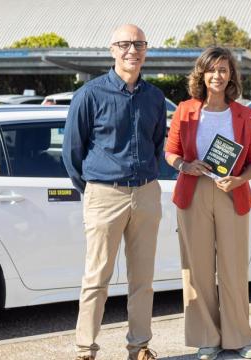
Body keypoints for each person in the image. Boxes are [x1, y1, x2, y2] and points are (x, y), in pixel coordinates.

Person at [62, 24, 166, 360]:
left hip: (146, 193)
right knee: (96, 278)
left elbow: (157, 145)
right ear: (112, 50)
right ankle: (85, 349)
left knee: (143, 279)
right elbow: (72, 152)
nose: (131, 50)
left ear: (146, 50)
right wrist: (94, 188)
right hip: (104, 194)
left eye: (138, 44)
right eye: (124, 44)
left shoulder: (155, 97)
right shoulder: (90, 95)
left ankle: (139, 347)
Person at [165, 46, 251, 360]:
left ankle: (240, 337)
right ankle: (207, 338)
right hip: (193, 194)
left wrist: (238, 180)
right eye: (211, 70)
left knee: (233, 269)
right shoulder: (185, 110)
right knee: (198, 270)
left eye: (223, 69)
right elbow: (171, 152)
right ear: (202, 75)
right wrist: (184, 166)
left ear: (231, 74)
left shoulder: (244, 114)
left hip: (231, 193)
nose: (217, 76)